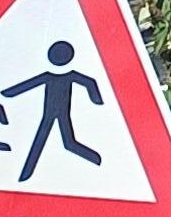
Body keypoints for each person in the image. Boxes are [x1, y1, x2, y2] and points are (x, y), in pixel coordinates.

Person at [14, 38, 107, 182]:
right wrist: (8, 93)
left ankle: (97, 160)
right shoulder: (52, 77)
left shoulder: (68, 76)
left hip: (61, 113)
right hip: (50, 114)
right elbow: (26, 85)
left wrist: (97, 100)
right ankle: (26, 173)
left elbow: (89, 82)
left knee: (65, 142)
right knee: (51, 140)